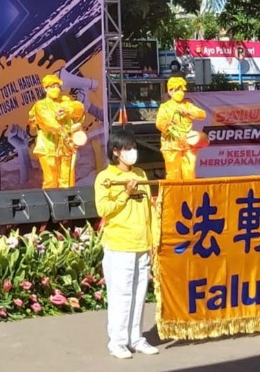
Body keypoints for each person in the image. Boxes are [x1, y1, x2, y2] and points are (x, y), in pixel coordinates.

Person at [94, 128, 159, 359]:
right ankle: (118, 342)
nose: (132, 152)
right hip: (119, 245)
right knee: (121, 295)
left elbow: (150, 210)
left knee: (139, 293)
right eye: (127, 148)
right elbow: (103, 210)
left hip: (142, 245)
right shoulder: (105, 177)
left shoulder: (141, 174)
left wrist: (153, 240)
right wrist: (125, 194)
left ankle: (136, 338)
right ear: (116, 152)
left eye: (134, 148)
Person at [28, 73, 86, 188]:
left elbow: (79, 109)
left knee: (67, 180)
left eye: (58, 86)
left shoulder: (65, 101)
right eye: (53, 86)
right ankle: (51, 205)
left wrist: (67, 109)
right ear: (46, 89)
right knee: (51, 180)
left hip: (66, 146)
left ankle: (68, 203)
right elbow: (48, 123)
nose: (56, 89)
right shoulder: (40, 105)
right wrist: (62, 127)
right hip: (47, 146)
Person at [156, 76, 208, 180]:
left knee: (189, 172)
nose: (180, 92)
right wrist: (168, 125)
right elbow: (159, 123)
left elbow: (202, 114)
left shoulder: (188, 105)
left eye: (182, 90)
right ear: (170, 91)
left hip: (188, 144)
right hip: (171, 144)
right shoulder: (165, 107)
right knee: (173, 174)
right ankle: (175, 196)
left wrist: (188, 112)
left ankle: (189, 195)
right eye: (177, 89)